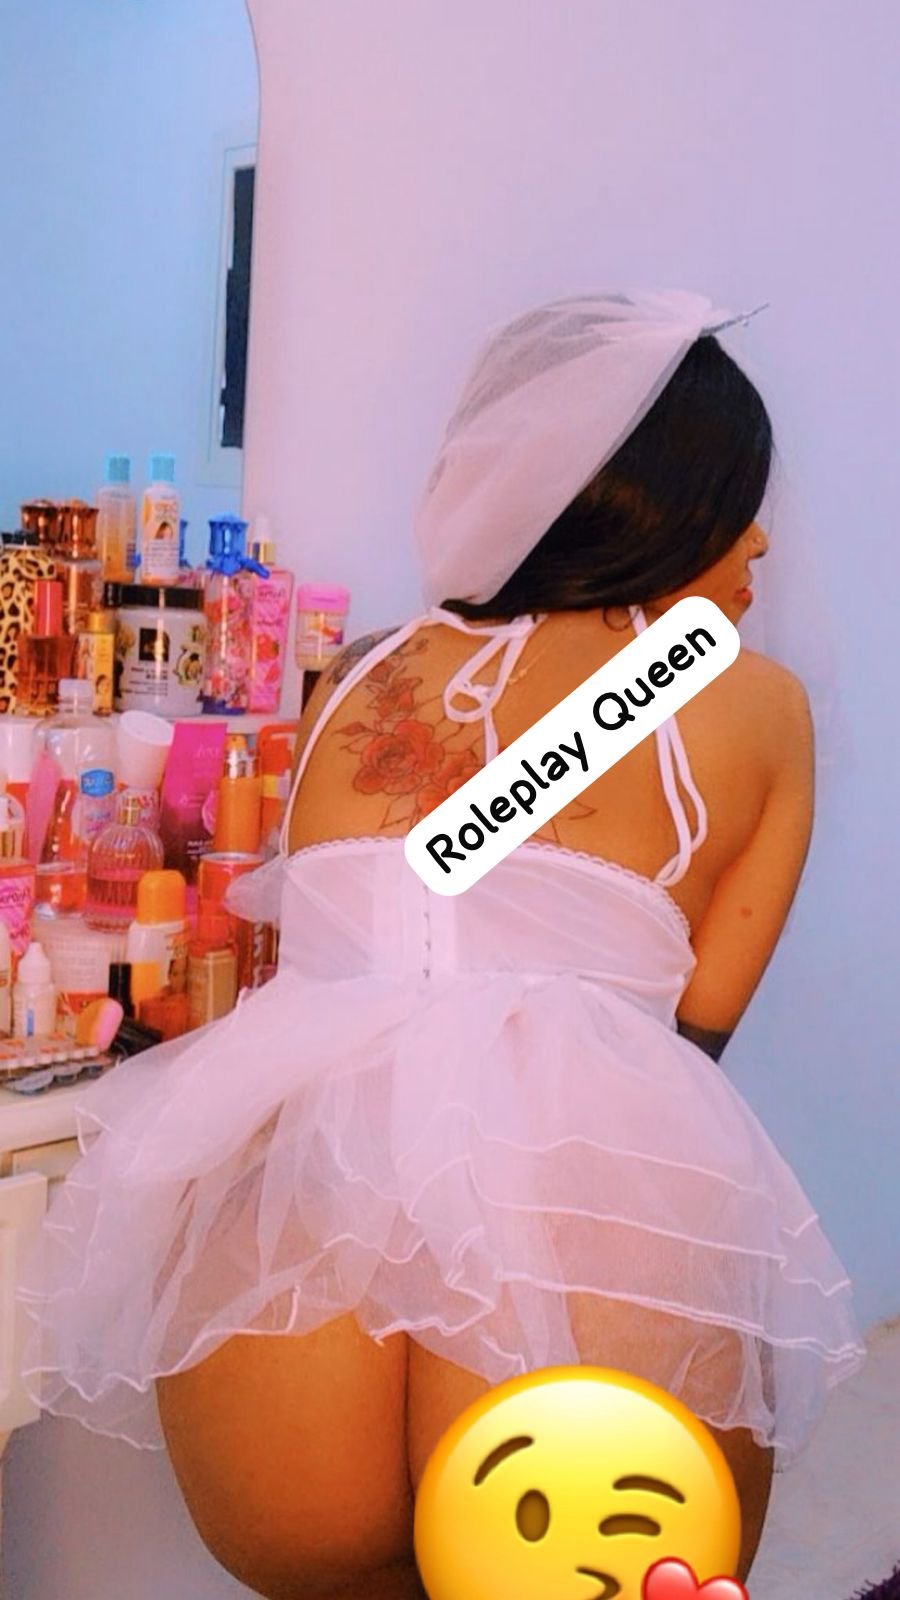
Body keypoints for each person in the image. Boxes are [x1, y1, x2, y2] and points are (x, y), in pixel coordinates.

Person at [20, 292, 865, 1600]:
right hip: (582, 1228)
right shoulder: (756, 699)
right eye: (734, 501)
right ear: (649, 505)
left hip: (289, 1218)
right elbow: (694, 1032)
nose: (759, 538)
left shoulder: (357, 669)